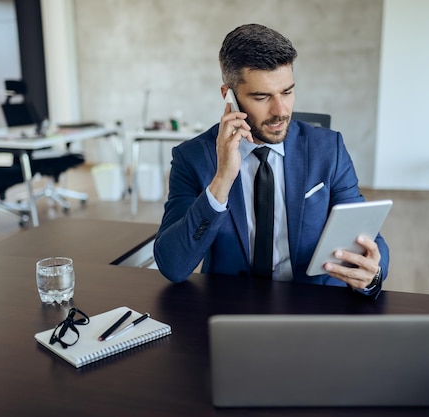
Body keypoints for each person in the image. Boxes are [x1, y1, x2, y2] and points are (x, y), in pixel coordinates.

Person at [154, 23, 389, 297]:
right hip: (231, 308)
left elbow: (365, 236)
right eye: (262, 96)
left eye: (287, 92)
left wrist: (373, 273)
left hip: (313, 306)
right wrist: (222, 180)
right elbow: (173, 266)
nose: (280, 111)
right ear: (228, 96)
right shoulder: (192, 157)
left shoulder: (328, 148)